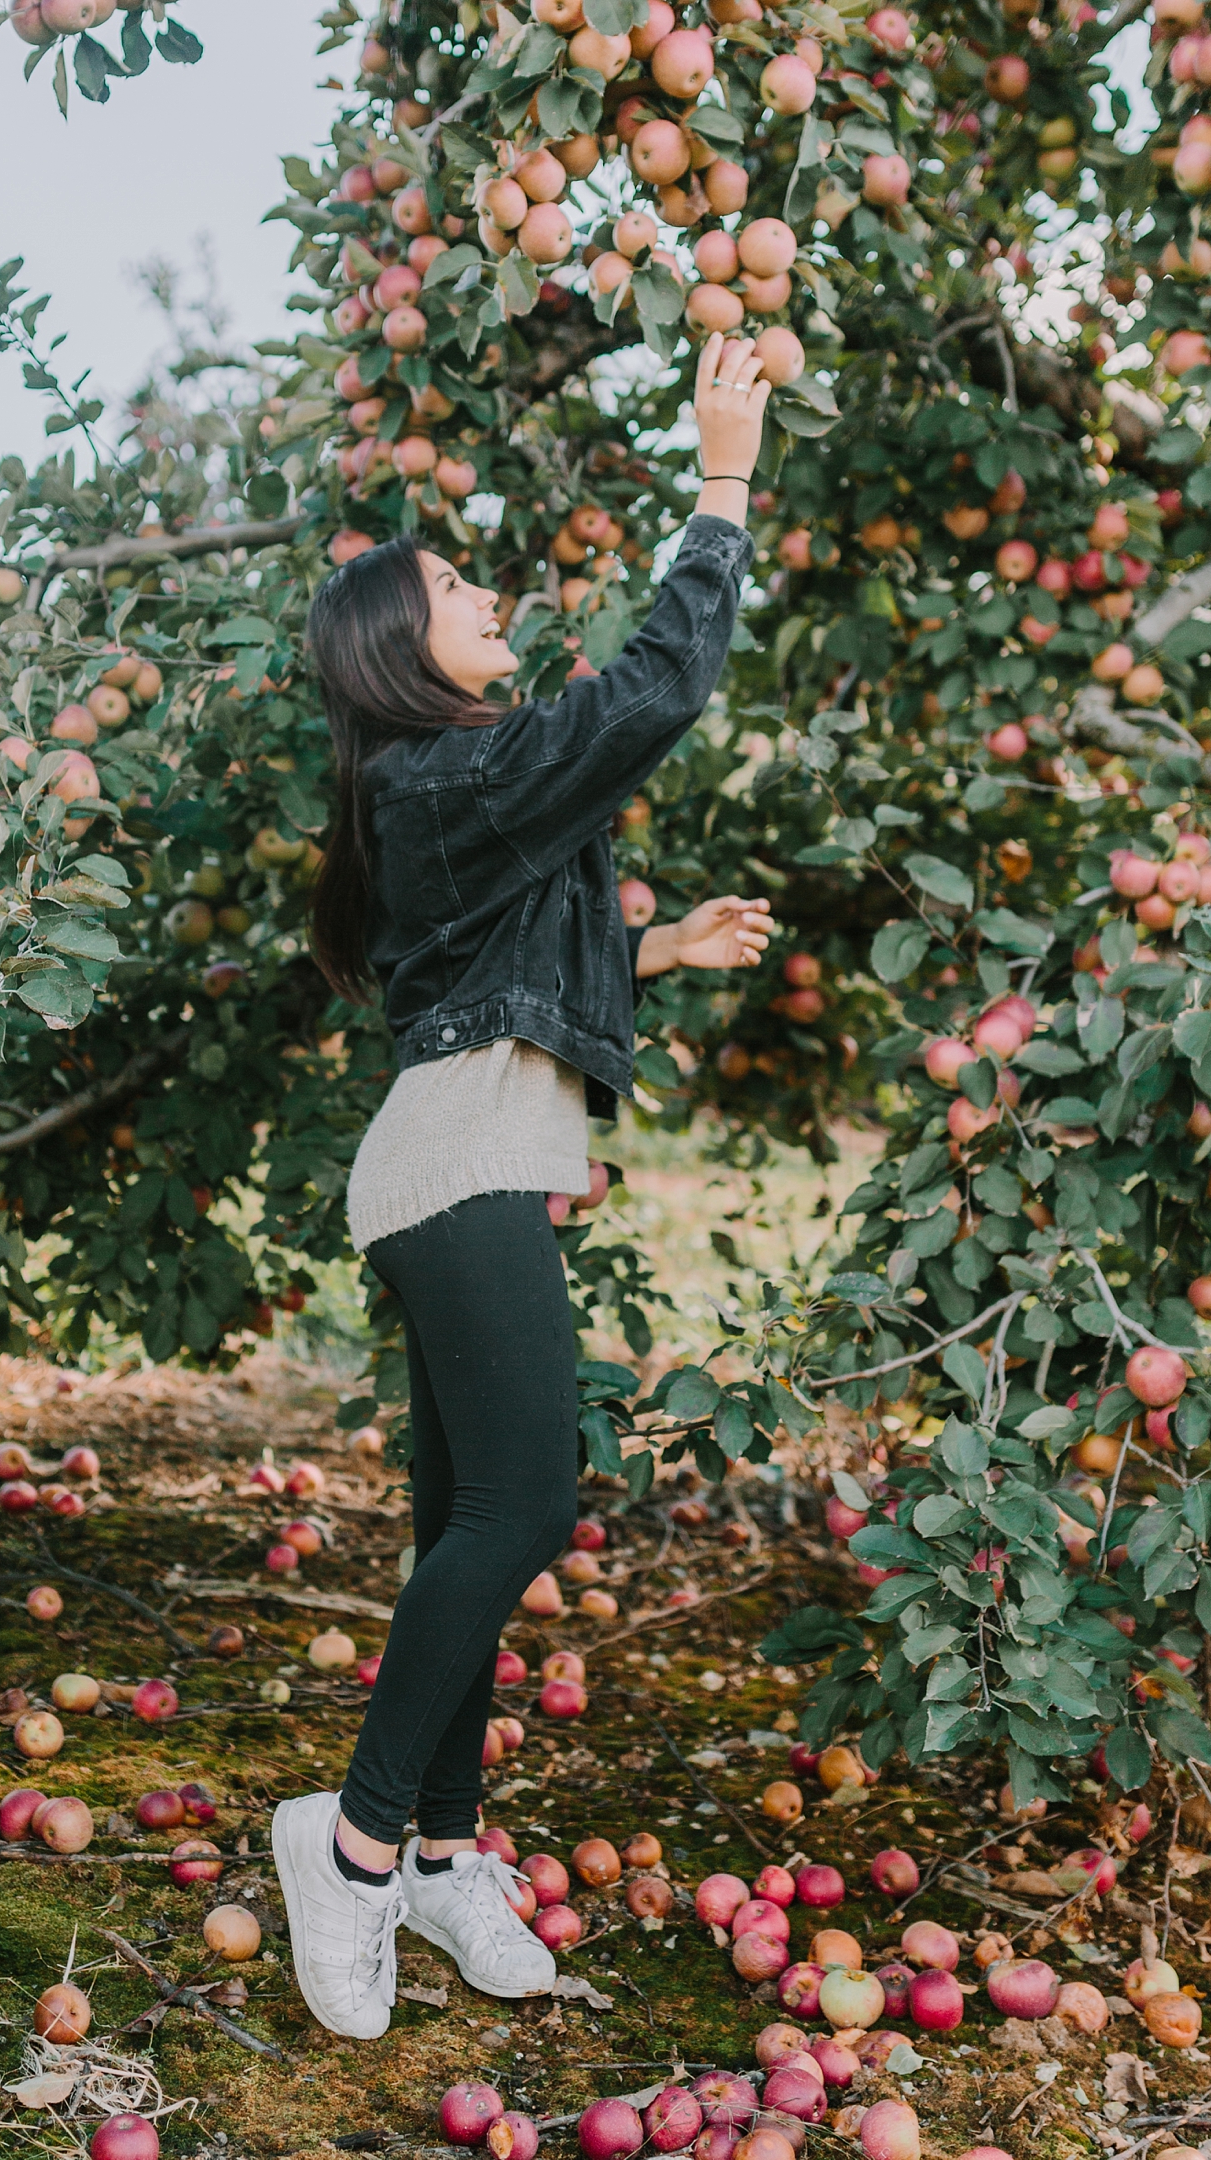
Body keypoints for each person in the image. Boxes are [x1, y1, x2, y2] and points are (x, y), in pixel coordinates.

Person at [270, 332, 775, 2039]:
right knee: (524, 1512)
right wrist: (720, 481)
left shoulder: (444, 796)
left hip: (464, 1152)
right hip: (461, 1162)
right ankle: (344, 1848)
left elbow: (506, 968)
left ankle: (439, 1855)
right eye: (453, 578)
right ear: (395, 645)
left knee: (460, 1529)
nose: (482, 586)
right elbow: (654, 694)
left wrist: (662, 953)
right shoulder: (442, 770)